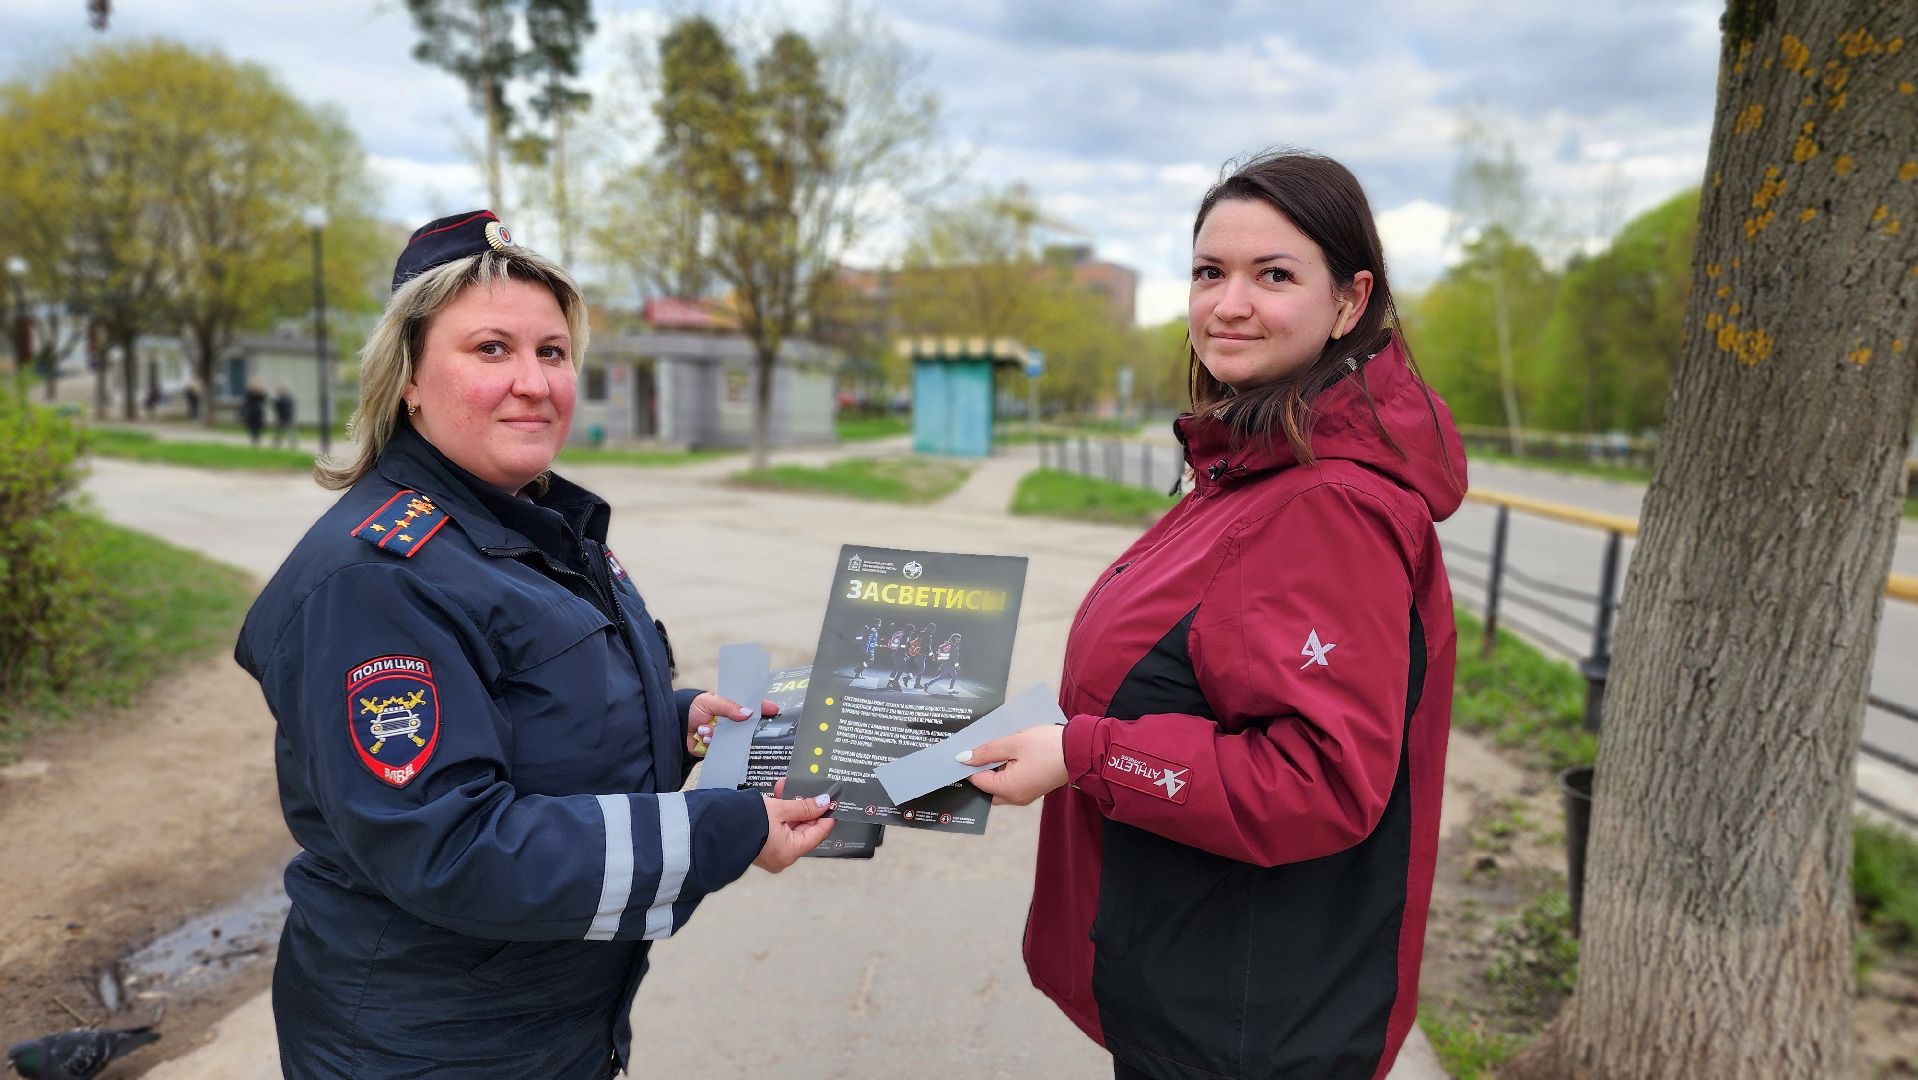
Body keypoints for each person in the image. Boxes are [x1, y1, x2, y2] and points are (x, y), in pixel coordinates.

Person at [235, 210, 835, 1079]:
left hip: (541, 1022)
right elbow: (451, 846)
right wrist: (723, 830)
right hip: (430, 1046)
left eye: (551, 353)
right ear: (407, 377)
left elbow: (530, 721)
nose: (533, 381)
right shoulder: (380, 577)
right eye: (491, 350)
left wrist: (682, 724)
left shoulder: (532, 525)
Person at [963, 150, 1466, 1080]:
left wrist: (1084, 754)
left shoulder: (1328, 504)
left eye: (1273, 275)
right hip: (1202, 981)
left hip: (1250, 1023)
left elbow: (1319, 779)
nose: (1228, 304)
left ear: (1351, 303)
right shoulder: (1254, 459)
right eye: (1209, 272)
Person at [240, 377, 267, 447]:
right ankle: (253, 439)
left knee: (258, 427)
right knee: (251, 426)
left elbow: (264, 401)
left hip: (258, 412)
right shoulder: (248, 392)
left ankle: (257, 439)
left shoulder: (261, 392)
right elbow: (245, 402)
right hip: (251, 412)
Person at [271, 383, 296, 448]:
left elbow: (288, 407)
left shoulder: (285, 398)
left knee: (289, 431)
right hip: (282, 416)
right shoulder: (283, 398)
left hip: (286, 416)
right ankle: (278, 442)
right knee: (280, 431)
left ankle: (292, 443)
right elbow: (276, 408)